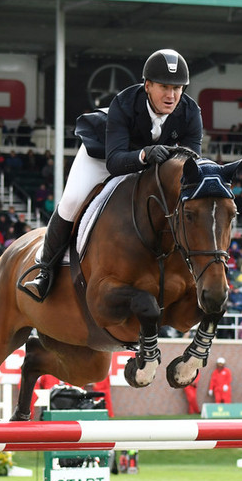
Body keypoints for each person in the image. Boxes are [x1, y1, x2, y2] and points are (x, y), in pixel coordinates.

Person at [22, 49, 202, 301]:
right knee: (72, 200)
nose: (171, 95)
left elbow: (190, 166)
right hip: (104, 157)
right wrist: (143, 155)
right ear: (147, 85)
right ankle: (44, 269)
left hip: (154, 165)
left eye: (178, 88)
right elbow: (116, 162)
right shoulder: (124, 103)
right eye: (164, 86)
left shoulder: (191, 112)